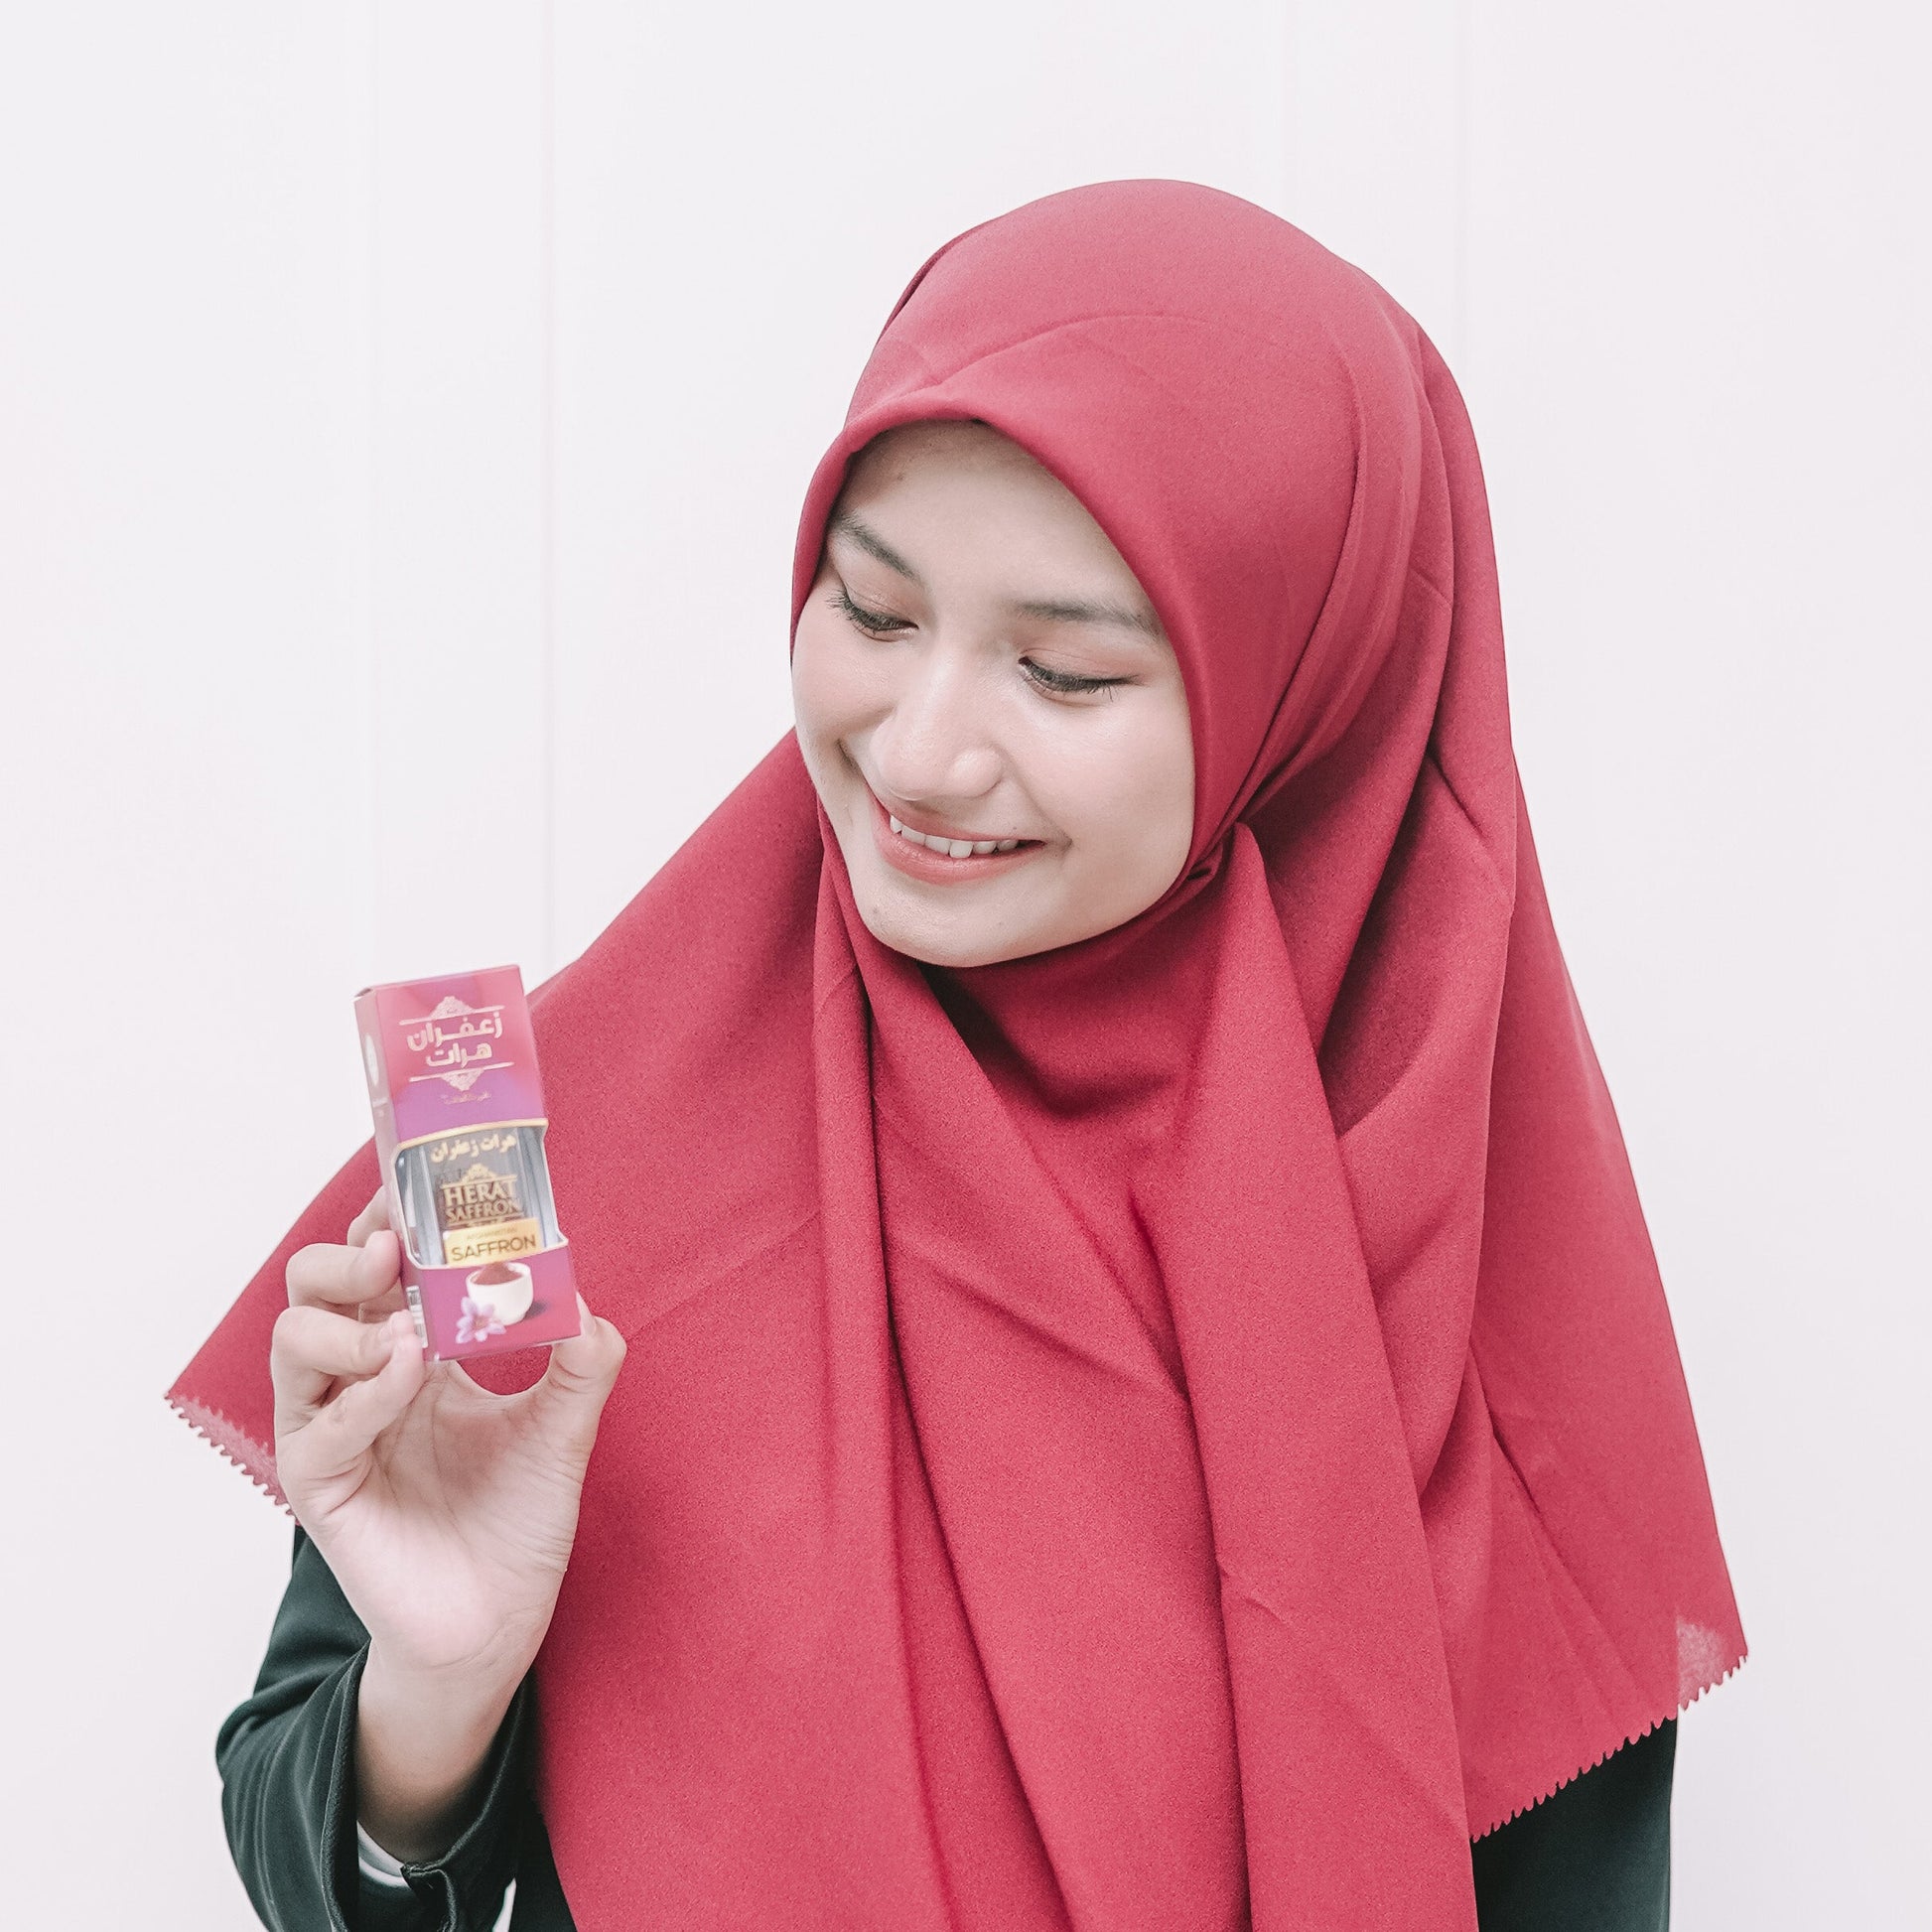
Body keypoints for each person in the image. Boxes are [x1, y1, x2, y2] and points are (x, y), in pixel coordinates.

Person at [172, 181, 1742, 1931]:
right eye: (873, 609)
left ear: (1299, 695)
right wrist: (441, 1694)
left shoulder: (1454, 1221)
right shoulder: (545, 1140)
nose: (920, 752)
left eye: (1062, 675)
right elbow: (330, 1867)